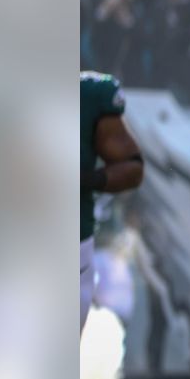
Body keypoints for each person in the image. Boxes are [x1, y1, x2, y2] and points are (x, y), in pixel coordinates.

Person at [80, 70, 145, 335]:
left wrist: (88, 180)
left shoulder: (92, 105)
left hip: (101, 244)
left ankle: (110, 372)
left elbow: (132, 175)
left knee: (116, 315)